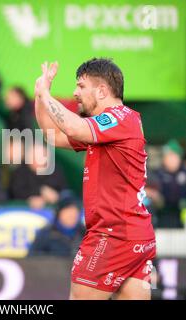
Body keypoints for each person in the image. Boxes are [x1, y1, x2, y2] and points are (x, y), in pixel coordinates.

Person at [34, 58, 156, 300]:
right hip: (133, 234)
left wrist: (47, 95)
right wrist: (40, 96)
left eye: (81, 86)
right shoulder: (103, 128)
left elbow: (73, 128)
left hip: (113, 235)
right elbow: (52, 135)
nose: (75, 93)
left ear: (101, 90)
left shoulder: (120, 118)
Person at [29, 189, 85, 257]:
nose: (72, 214)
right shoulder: (46, 234)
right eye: (68, 210)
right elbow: (32, 259)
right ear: (59, 213)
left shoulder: (85, 234)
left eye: (75, 210)